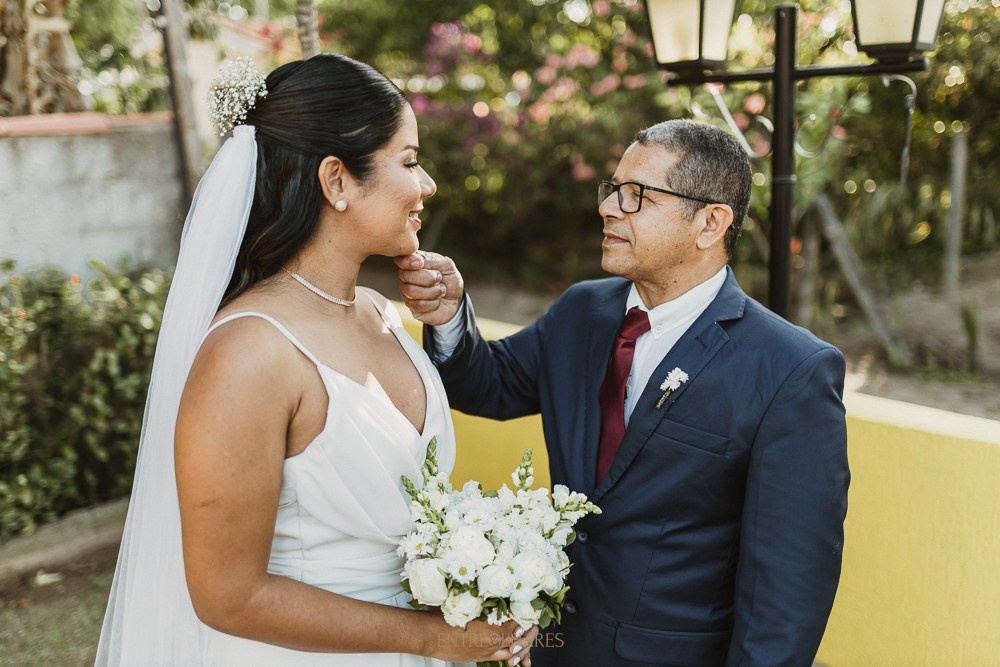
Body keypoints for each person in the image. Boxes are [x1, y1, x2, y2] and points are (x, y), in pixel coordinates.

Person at [96, 53, 536, 666]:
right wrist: (432, 637)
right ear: (336, 181)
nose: (428, 185)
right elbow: (227, 595)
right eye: (409, 161)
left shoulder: (380, 313)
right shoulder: (248, 354)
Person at [397, 119, 850, 666]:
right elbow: (490, 385)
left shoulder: (790, 370)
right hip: (554, 651)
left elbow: (787, 592)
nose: (609, 208)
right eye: (612, 190)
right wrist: (449, 317)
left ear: (710, 223)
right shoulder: (582, 310)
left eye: (637, 195)